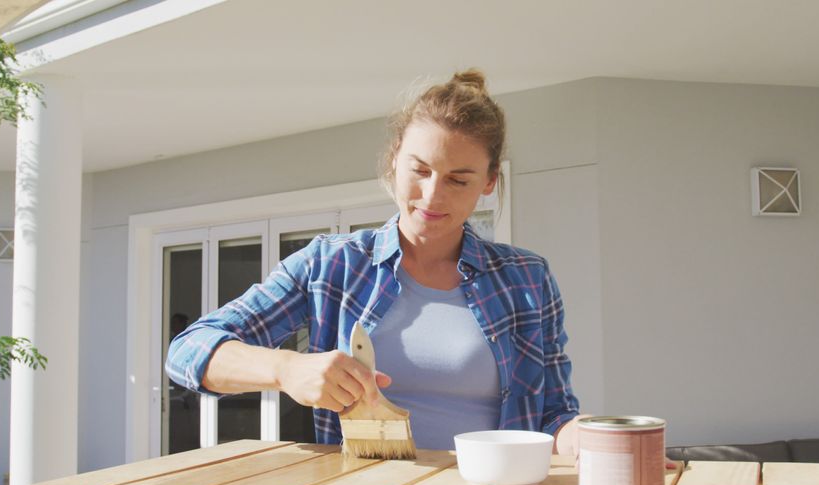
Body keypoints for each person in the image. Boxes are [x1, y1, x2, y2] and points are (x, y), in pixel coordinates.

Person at [165, 69, 584, 453]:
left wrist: (591, 438)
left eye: (459, 180)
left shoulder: (527, 279)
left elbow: (554, 416)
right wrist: (286, 368)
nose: (433, 195)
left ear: (489, 181)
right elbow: (187, 353)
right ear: (394, 159)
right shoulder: (331, 266)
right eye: (419, 169)